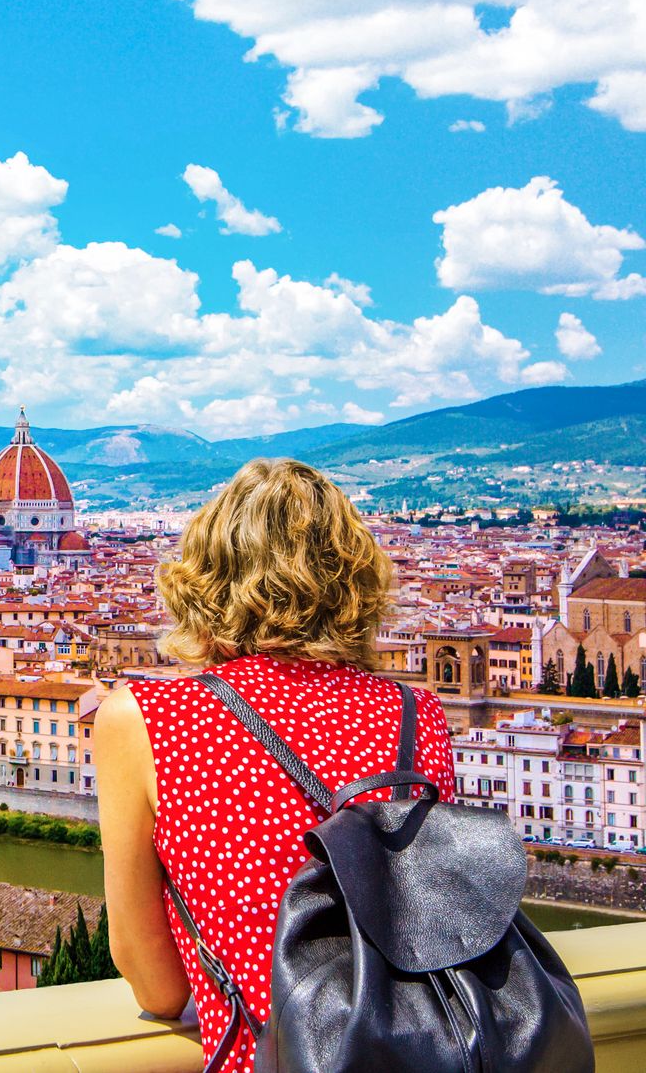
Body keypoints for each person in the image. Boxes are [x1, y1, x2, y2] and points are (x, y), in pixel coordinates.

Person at [94, 458, 454, 1072]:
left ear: (203, 577)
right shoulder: (416, 713)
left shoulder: (146, 717)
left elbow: (157, 986)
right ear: (355, 580)